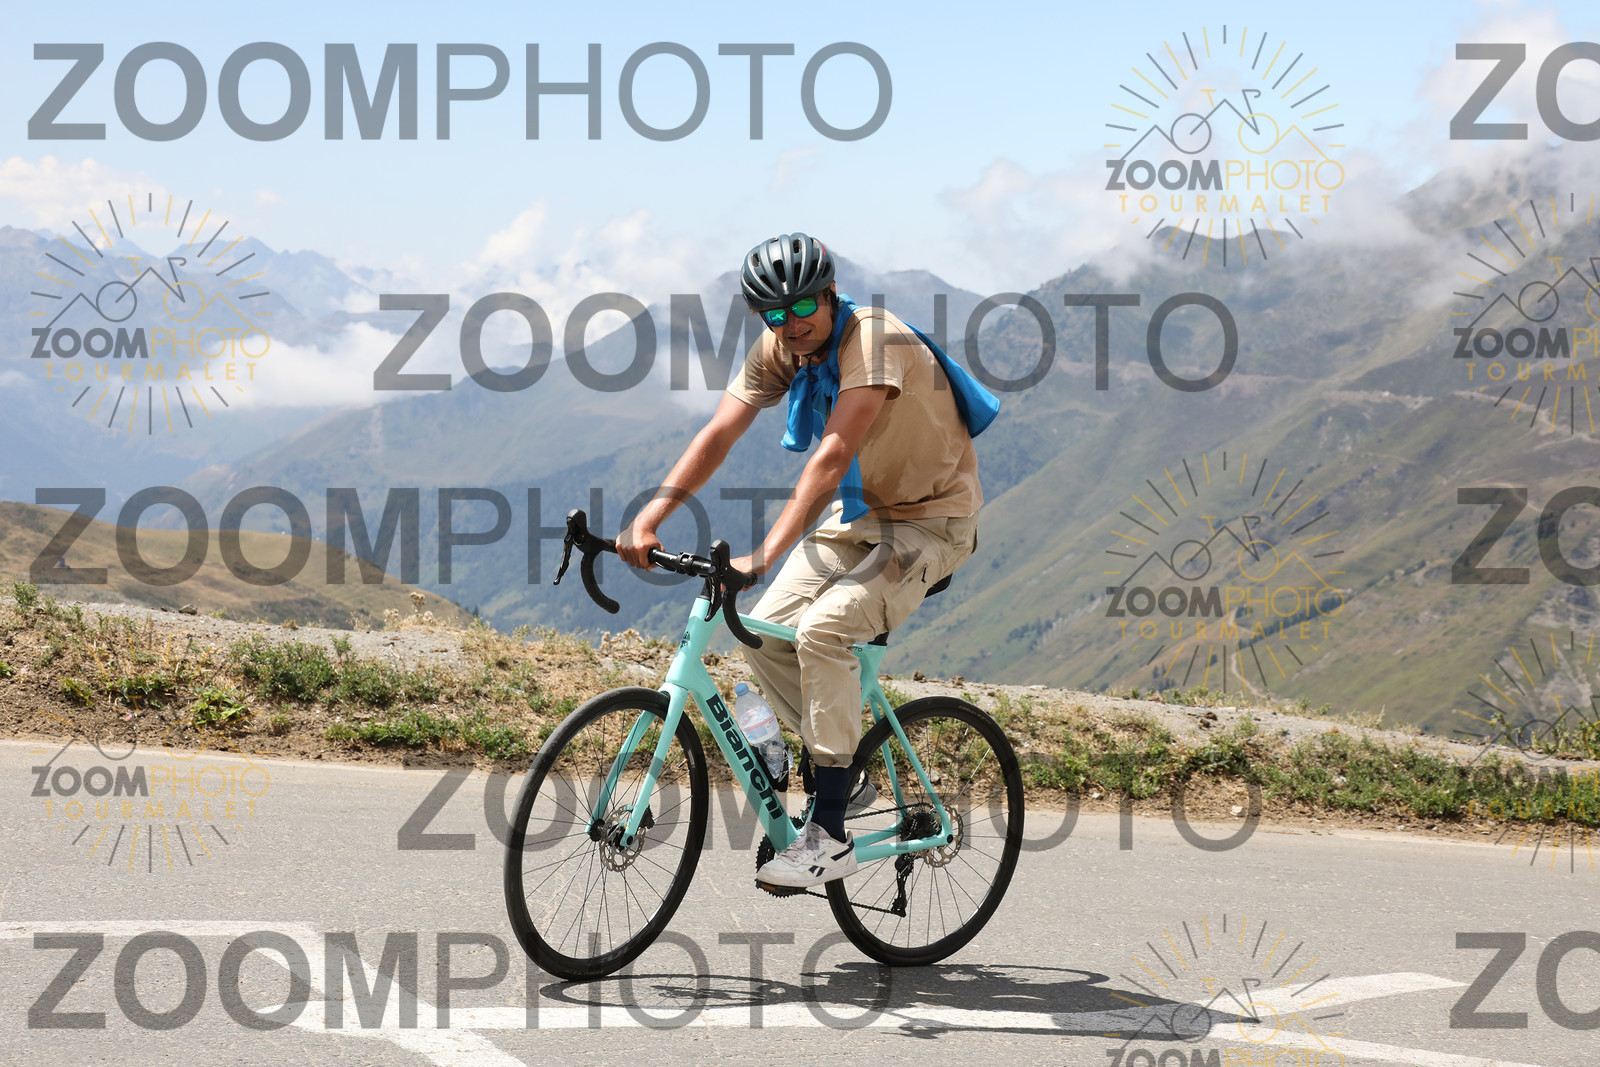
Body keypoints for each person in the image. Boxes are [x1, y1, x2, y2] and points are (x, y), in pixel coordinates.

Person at [619, 232, 992, 891]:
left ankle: (830, 834)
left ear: (830, 294)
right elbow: (719, 432)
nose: (791, 325)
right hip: (858, 518)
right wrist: (650, 516)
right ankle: (844, 772)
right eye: (774, 313)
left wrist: (764, 554)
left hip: (931, 524)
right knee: (761, 630)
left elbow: (832, 453)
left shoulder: (873, 339)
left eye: (801, 308)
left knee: (824, 631)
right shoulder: (782, 346)